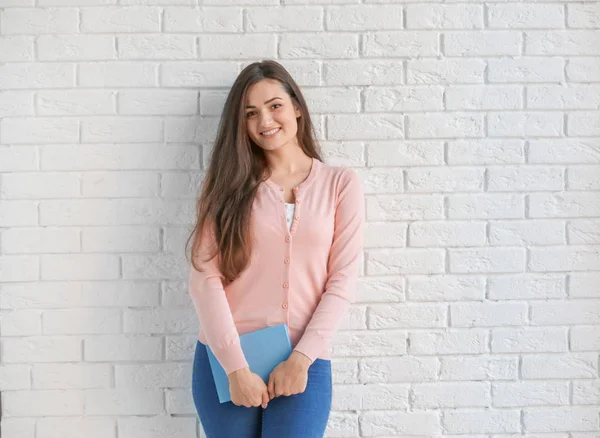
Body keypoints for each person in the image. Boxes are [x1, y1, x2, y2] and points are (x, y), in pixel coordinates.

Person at [185, 59, 365, 438]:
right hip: (227, 360)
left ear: (297, 107)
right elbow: (205, 279)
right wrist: (236, 368)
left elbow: (342, 281)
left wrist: (300, 360)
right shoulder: (228, 187)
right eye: (251, 113)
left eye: (275, 105)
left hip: (304, 359)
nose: (264, 120)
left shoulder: (340, 185)